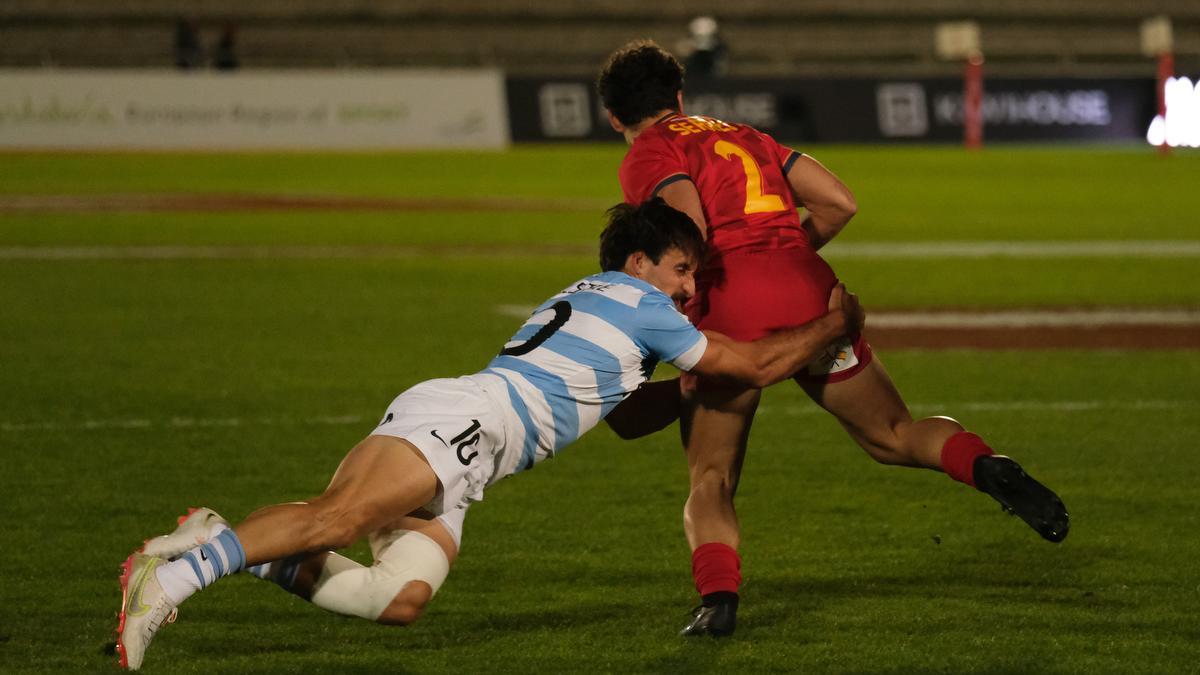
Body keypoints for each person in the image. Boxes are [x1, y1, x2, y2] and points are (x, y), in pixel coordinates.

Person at [115, 199, 865, 670]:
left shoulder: (604, 302)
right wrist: (835, 323)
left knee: (399, 596)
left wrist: (684, 391)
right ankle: (171, 583)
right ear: (640, 264)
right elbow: (756, 363)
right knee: (334, 518)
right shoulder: (642, 302)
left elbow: (631, 418)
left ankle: (221, 539)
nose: (690, 289)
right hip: (468, 422)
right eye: (682, 269)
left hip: (471, 440)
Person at [595, 40, 1070, 637]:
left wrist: (695, 290)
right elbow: (839, 203)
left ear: (614, 116)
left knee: (711, 476)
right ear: (679, 95)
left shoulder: (650, 149)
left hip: (732, 302)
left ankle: (718, 602)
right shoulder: (744, 134)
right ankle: (984, 464)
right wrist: (789, 256)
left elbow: (688, 228)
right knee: (893, 434)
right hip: (812, 290)